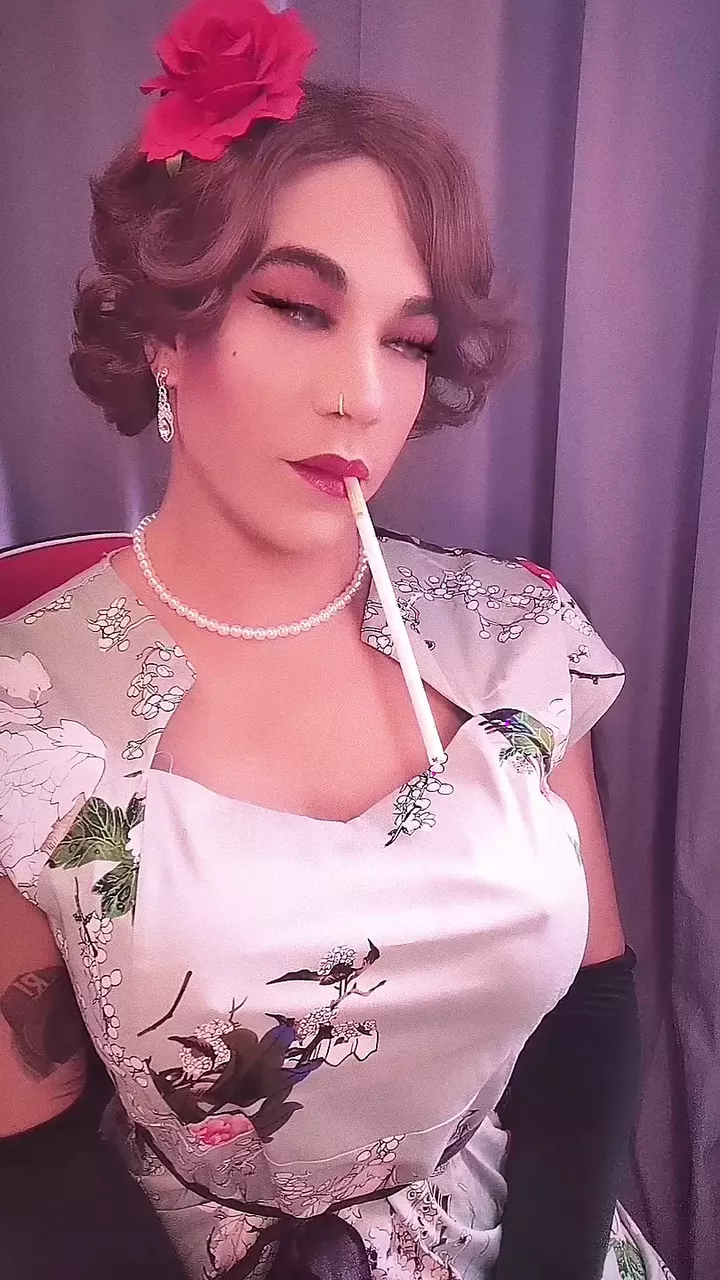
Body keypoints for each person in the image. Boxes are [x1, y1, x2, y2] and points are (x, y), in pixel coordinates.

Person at [0, 2, 675, 1278]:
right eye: (299, 308)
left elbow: (593, 1012)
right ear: (166, 326)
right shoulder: (21, 716)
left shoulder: (517, 638)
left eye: (407, 341)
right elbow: (23, 1146)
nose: (363, 394)